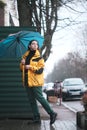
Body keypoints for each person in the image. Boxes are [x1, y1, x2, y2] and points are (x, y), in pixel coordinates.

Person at [20, 40, 57, 124]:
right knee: (31, 100)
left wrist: (30, 66)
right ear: (29, 46)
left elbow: (40, 70)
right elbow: (21, 70)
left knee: (40, 98)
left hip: (36, 81)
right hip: (27, 81)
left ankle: (52, 113)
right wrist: (22, 64)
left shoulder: (39, 57)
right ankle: (36, 118)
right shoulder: (25, 57)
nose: (35, 45)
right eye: (33, 43)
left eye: (36, 44)